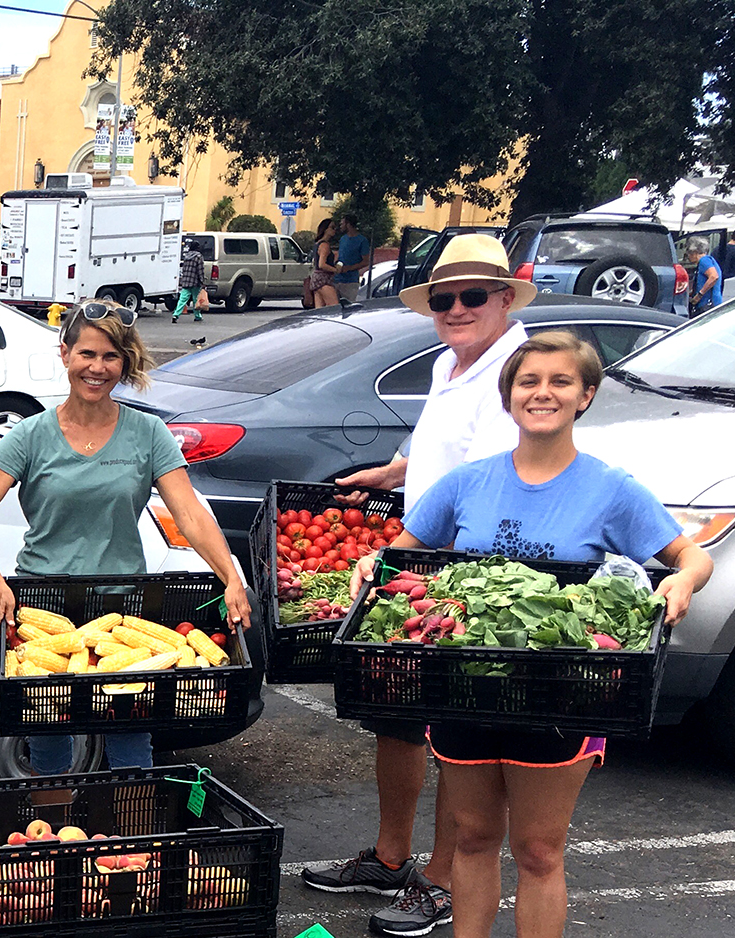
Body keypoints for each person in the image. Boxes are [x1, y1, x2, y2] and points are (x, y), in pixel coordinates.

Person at [349, 330, 712, 938]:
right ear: (509, 395)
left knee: (540, 852)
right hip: (467, 686)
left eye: (560, 381)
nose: (542, 393)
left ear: (586, 396)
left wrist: (684, 582)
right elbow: (402, 553)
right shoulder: (469, 481)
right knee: (473, 838)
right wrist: (372, 564)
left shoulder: (610, 487)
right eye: (528, 382)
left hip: (560, 691)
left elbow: (689, 555)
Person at [319, 233, 534, 936]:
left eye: (474, 296)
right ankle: (390, 857)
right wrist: (394, 472)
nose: (458, 308)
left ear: (505, 298)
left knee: (451, 732)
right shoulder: (454, 361)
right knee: (398, 718)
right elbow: (436, 446)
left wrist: (419, 558)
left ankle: (441, 880)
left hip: (461, 571)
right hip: (419, 562)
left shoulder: (515, 372)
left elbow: (495, 487)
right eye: (445, 299)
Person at [0, 300, 250, 775]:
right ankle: (56, 844)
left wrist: (230, 576)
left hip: (123, 609)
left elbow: (190, 513)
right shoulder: (30, 436)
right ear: (65, 354)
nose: (97, 367)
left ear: (124, 362)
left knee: (131, 738)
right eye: (87, 354)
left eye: (110, 357)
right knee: (48, 746)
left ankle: (126, 847)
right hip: (43, 606)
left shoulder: (148, 432)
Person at [333, 214, 372, 303]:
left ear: (349, 224)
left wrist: (349, 268)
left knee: (349, 306)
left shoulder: (362, 241)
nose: (340, 226)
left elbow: (365, 261)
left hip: (350, 282)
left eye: (342, 224)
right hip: (336, 279)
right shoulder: (343, 239)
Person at [172, 234, 206, 323]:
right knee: (196, 300)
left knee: (182, 299)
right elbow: (200, 270)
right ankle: (197, 316)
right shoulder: (199, 256)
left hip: (186, 281)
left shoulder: (187, 256)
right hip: (195, 282)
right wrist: (202, 281)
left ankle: (176, 314)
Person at [687, 237, 723, 316]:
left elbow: (714, 276)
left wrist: (699, 295)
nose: (688, 256)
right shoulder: (708, 260)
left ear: (694, 252)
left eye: (688, 253)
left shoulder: (704, 261)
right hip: (711, 303)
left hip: (708, 304)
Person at [313, 220, 343, 308]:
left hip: (317, 279)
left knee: (320, 310)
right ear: (325, 229)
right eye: (332, 227)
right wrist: (335, 270)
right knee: (334, 307)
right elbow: (322, 264)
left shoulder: (317, 244)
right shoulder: (325, 245)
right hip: (324, 279)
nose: (335, 230)